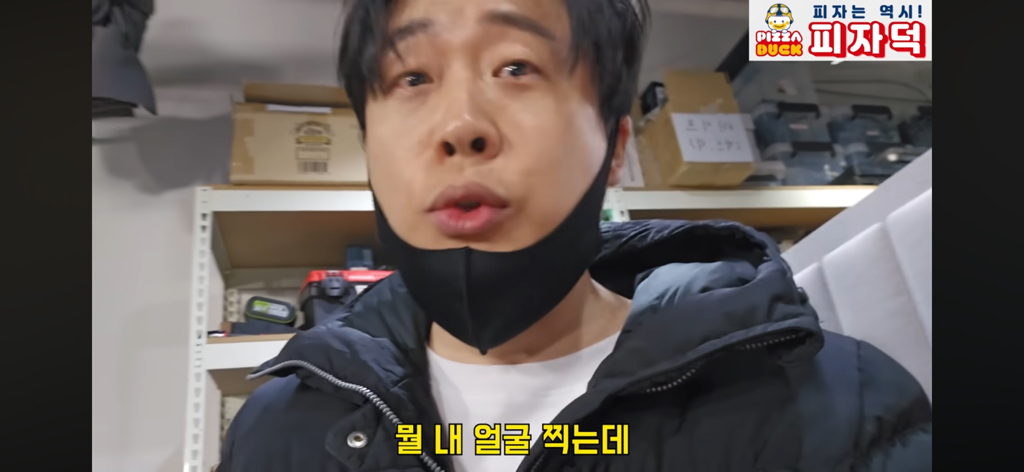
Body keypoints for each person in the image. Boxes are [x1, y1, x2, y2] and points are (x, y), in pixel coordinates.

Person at [217, 0, 932, 471]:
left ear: (614, 147)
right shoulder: (278, 430)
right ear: (370, 149)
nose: (460, 125)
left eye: (516, 68)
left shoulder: (838, 405)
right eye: (412, 78)